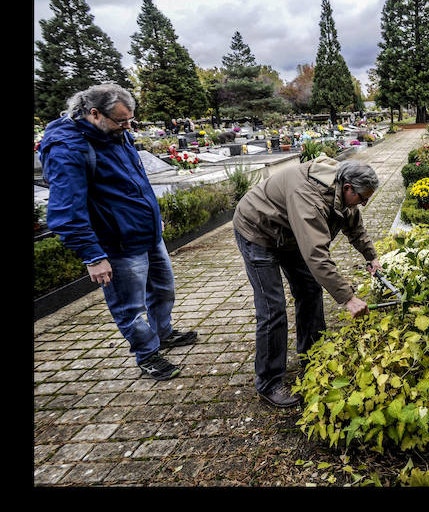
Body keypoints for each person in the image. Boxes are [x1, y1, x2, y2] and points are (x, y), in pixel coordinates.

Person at [38, 84, 198, 381]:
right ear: (95, 114)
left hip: (146, 233)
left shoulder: (116, 134)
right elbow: (66, 210)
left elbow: (135, 182)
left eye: (131, 120)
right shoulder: (68, 149)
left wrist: (153, 217)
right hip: (118, 243)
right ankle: (147, 354)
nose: (128, 127)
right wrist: (93, 256)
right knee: (130, 307)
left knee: (163, 290)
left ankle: (164, 333)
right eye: (122, 121)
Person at [232, 157, 383, 408]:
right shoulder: (309, 198)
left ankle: (312, 356)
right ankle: (268, 382)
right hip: (258, 230)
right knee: (273, 308)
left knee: (311, 290)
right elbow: (316, 255)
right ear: (347, 188)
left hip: (290, 233)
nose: (364, 203)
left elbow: (354, 227)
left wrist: (372, 257)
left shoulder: (343, 193)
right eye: (362, 198)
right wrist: (348, 298)